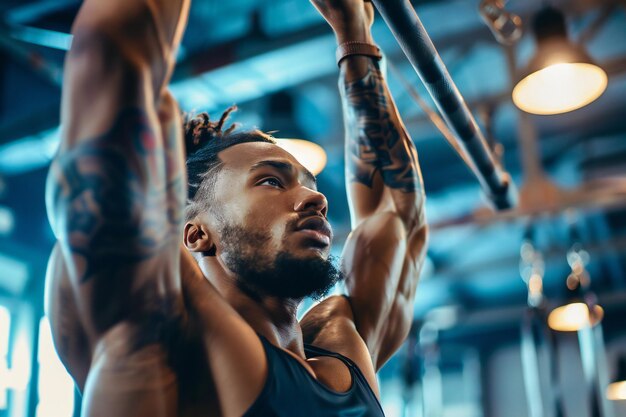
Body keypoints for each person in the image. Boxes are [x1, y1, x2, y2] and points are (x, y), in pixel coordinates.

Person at [44, 0, 428, 415]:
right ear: (195, 233)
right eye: (270, 181)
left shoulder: (344, 346)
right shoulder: (166, 341)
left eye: (310, 184)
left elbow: (396, 213)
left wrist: (353, 30)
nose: (317, 198)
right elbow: (110, 54)